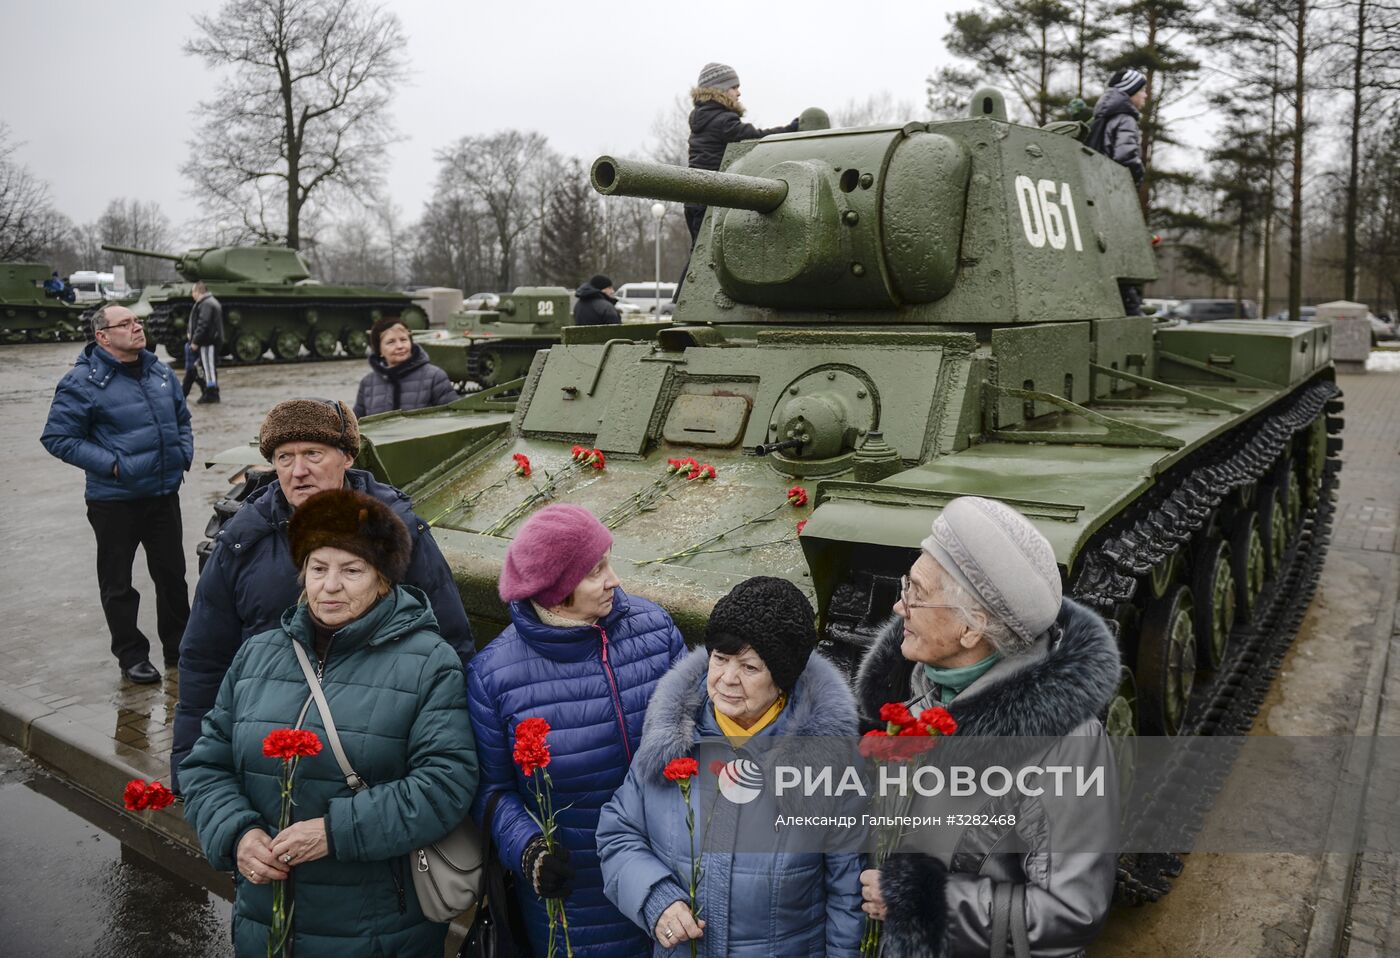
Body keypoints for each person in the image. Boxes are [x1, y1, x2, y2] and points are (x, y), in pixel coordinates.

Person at [180, 488, 478, 957]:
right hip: (267, 920)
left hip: (379, 928)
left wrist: (336, 833)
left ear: (382, 580)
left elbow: (446, 783)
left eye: (351, 570)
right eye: (318, 568)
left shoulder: (428, 663)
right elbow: (206, 764)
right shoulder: (259, 654)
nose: (330, 585)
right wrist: (236, 833)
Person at [853, 496, 1121, 957]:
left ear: (972, 628)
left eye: (916, 591)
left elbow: (1072, 912)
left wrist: (921, 902)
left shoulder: (1065, 745)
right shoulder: (912, 692)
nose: (899, 606)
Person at [172, 398, 474, 791]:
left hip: (368, 755)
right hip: (268, 756)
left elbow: (451, 642)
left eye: (313, 454)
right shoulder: (243, 542)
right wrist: (188, 769)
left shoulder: (395, 532)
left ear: (347, 456)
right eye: (284, 457)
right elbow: (204, 658)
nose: (298, 472)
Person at [597, 576, 864, 957]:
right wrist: (656, 897)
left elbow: (847, 894)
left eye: (750, 667)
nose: (727, 679)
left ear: (782, 680)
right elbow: (616, 833)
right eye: (720, 659)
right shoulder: (670, 740)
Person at [466, 504, 687, 958]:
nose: (615, 580)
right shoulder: (494, 675)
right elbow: (490, 792)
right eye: (595, 571)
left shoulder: (657, 630)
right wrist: (528, 852)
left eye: (609, 561)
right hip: (576, 900)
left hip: (671, 877)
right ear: (554, 591)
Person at [40, 304, 193, 685]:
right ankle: (131, 655)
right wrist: (114, 465)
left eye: (137, 320)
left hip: (162, 494)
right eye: (124, 323)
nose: (136, 327)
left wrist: (183, 454)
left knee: (173, 576)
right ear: (102, 336)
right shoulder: (81, 382)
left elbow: (182, 418)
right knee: (118, 583)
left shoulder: (159, 370)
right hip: (114, 500)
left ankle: (179, 648)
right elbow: (58, 438)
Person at [685, 62, 799, 246]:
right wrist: (791, 129)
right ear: (719, 91)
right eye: (734, 87)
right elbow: (755, 139)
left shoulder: (702, 118)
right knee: (708, 255)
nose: (738, 93)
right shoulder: (723, 121)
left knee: (699, 256)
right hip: (711, 196)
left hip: (695, 197)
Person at [353, 315, 458, 418]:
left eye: (403, 340)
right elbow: (356, 426)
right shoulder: (368, 383)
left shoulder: (435, 377)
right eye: (391, 342)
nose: (400, 346)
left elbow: (454, 416)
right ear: (379, 350)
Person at [1087, 67, 1148, 188]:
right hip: (1114, 187)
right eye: (1142, 90)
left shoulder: (1104, 117)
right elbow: (1125, 157)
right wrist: (1137, 179)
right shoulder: (1126, 119)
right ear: (1131, 91)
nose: (1145, 95)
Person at [188, 281, 225, 404]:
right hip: (209, 341)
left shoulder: (206, 304)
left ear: (198, 292)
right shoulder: (209, 302)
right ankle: (211, 392)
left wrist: (195, 341)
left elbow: (203, 324)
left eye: (193, 292)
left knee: (208, 368)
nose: (192, 295)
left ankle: (212, 394)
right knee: (207, 367)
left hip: (208, 342)